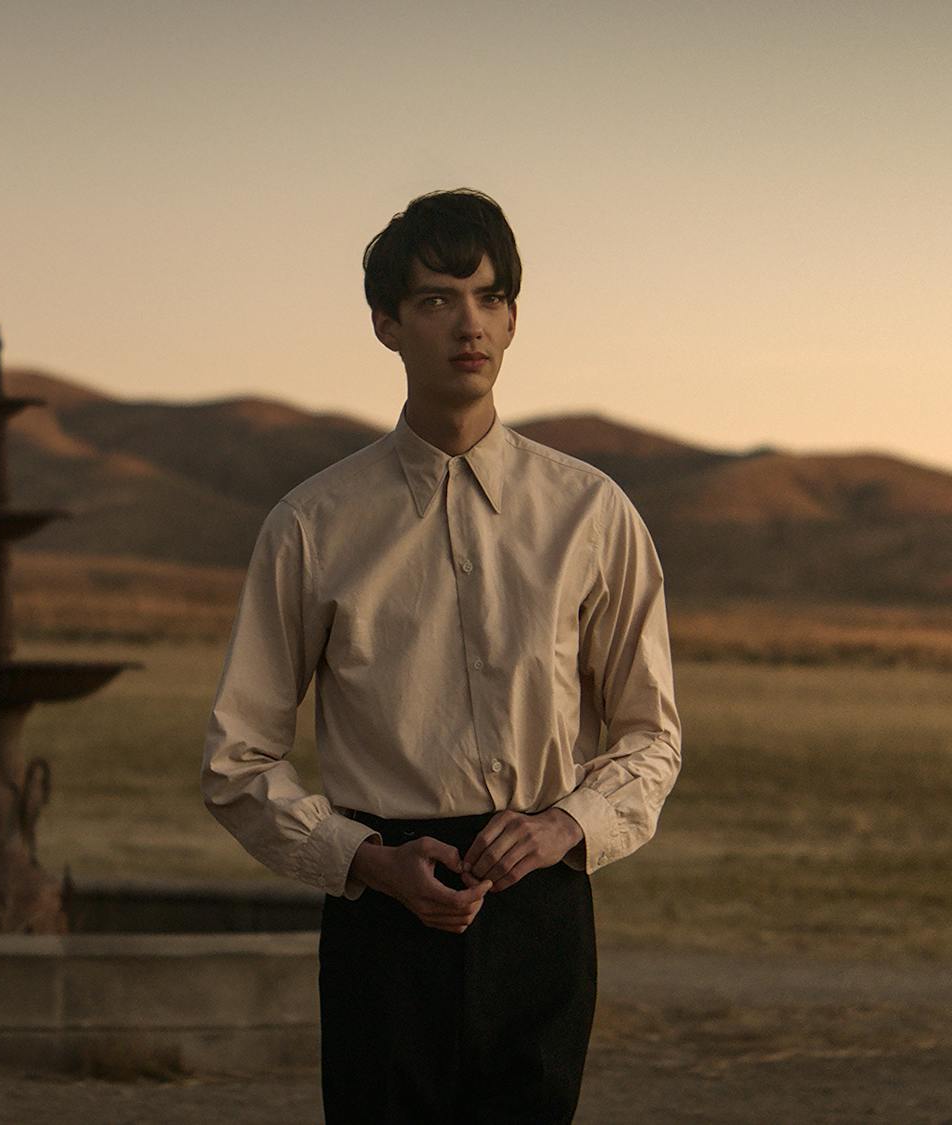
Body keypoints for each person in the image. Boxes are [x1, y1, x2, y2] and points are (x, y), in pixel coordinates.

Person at [200, 188, 681, 1123]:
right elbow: (236, 759)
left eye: (491, 297)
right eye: (437, 299)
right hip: (382, 914)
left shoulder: (593, 514)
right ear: (386, 323)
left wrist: (564, 824)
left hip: (540, 907)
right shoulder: (311, 525)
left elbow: (650, 735)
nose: (472, 323)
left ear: (512, 315)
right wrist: (366, 860)